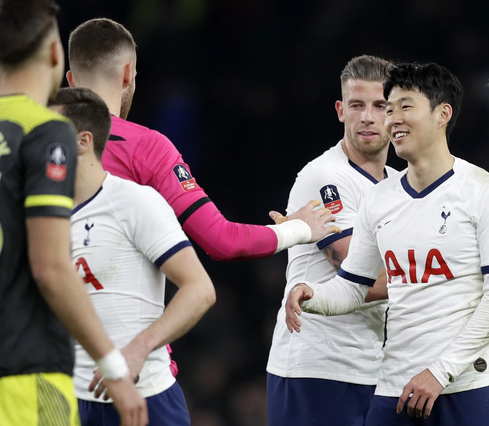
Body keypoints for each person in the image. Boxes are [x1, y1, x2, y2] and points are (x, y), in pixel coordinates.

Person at [285, 62, 489, 426]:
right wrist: (311, 295)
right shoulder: (379, 200)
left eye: (405, 107)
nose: (392, 119)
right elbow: (352, 288)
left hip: (467, 385)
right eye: (390, 108)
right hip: (396, 388)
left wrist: (440, 372)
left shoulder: (485, 191)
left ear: (443, 114)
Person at [65, 18, 338, 264]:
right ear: (128, 74)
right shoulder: (147, 148)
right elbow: (223, 240)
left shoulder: (34, 139)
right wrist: (298, 228)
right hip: (114, 314)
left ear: (70, 80)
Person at [0, 1, 147, 425]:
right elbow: (50, 266)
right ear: (53, 54)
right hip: (25, 374)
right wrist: (115, 368)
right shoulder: (48, 132)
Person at [49, 87, 217, 425]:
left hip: (146, 397)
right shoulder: (44, 216)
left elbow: (200, 290)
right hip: (69, 403)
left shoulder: (135, 202)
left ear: (83, 142)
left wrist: (139, 349)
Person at [266, 55, 396, 426]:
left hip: (371, 366)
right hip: (316, 366)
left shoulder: (400, 183)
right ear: (341, 110)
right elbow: (359, 276)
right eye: (357, 105)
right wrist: (440, 275)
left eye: (379, 105)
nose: (367, 117)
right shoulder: (325, 177)